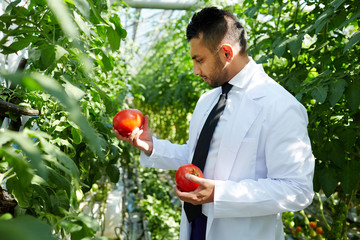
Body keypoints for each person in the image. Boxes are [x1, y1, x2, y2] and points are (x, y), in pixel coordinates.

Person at [114, 7, 315, 240]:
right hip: (196, 226)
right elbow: (197, 157)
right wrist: (152, 147)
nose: (195, 70)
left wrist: (220, 194)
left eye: (199, 60)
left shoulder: (279, 106)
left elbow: (297, 190)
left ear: (227, 53)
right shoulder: (208, 100)